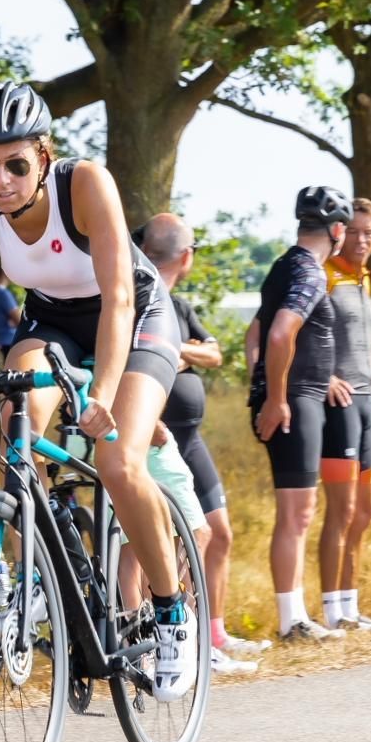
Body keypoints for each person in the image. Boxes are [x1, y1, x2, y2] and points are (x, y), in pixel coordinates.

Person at [0, 81, 197, 701]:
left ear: (44, 154)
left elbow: (117, 298)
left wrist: (103, 393)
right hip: (53, 321)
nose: (1, 180)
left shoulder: (85, 184)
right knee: (13, 427)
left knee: (116, 457)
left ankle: (171, 614)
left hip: (135, 317)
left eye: (16, 164)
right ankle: (35, 572)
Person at [140, 213, 270, 673]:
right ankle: (183, 639)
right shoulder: (141, 299)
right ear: (187, 256)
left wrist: (178, 352)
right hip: (157, 438)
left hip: (191, 439)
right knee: (181, 538)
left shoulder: (177, 305)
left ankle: (211, 631)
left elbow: (214, 353)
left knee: (218, 533)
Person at [245, 186, 353, 642]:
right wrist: (276, 397)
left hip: (301, 395)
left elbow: (256, 329)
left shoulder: (285, 265)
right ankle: (293, 622)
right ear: (337, 230)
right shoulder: (310, 273)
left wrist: (262, 382)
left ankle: (297, 615)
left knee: (300, 512)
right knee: (297, 513)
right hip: (295, 401)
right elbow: (278, 334)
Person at [318, 197, 371, 630]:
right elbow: (293, 333)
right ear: (341, 232)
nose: (363, 240)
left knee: (364, 512)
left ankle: (351, 607)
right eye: (356, 231)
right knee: (341, 511)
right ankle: (332, 612)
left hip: (369, 403)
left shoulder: (363, 279)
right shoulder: (325, 275)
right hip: (340, 406)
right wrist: (324, 376)